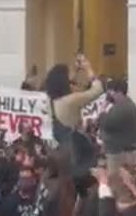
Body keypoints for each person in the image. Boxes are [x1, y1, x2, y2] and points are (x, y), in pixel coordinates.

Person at [45, 55, 103, 192]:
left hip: (63, 152)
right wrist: (88, 69)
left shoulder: (51, 101)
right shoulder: (70, 101)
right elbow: (98, 90)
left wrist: (76, 71)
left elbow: (68, 84)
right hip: (77, 152)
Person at [99, 78, 136, 205]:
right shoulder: (129, 104)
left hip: (118, 154)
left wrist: (103, 108)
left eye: (111, 92)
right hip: (127, 151)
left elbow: (104, 123)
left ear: (118, 92)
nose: (110, 95)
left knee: (119, 187)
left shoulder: (120, 108)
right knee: (129, 185)